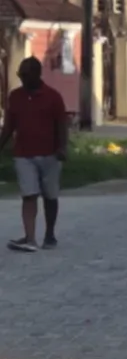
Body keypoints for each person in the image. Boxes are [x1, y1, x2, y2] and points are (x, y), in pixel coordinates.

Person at [0, 56, 69, 252]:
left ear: (37, 74)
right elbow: (8, 127)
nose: (22, 78)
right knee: (28, 195)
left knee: (50, 196)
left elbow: (61, 125)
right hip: (23, 154)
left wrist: (62, 148)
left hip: (50, 154)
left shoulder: (53, 97)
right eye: (20, 75)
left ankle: (49, 234)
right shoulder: (15, 97)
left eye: (25, 75)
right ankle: (30, 238)